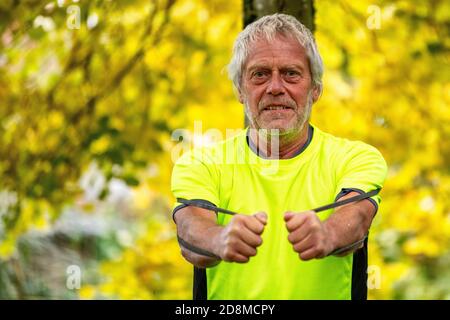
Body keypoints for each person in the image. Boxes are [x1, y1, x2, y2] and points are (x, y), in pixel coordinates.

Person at [171, 13, 387, 300]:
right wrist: (219, 239)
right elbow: (190, 232)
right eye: (260, 74)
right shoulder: (201, 164)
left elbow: (356, 219)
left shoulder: (355, 157)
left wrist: (327, 234)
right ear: (240, 90)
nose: (275, 88)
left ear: (315, 90)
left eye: (291, 73)